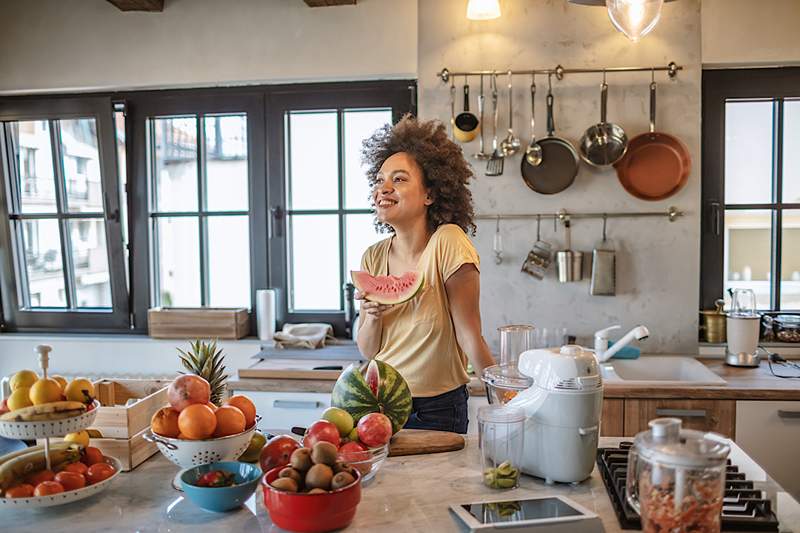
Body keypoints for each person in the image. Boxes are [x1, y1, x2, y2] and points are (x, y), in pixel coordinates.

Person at [355, 115, 495, 434]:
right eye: (379, 180)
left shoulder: (448, 242)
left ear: (430, 194)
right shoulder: (373, 256)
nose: (383, 188)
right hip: (379, 404)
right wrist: (373, 316)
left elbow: (470, 335)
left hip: (438, 409)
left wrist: (506, 399)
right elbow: (368, 350)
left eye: (400, 179)